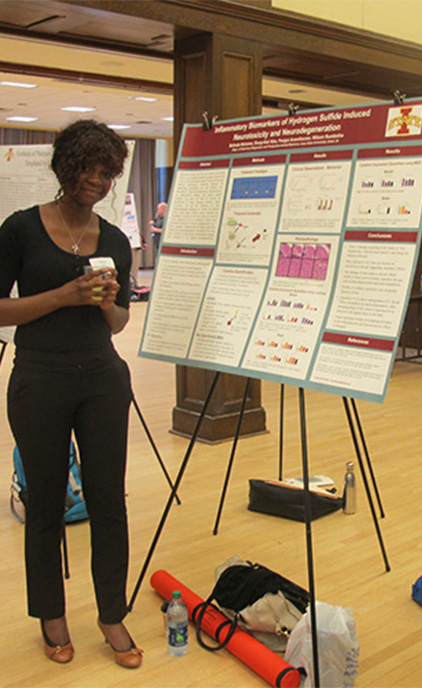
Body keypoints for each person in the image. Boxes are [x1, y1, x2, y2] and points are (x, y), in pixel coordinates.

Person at [0, 120, 143, 668]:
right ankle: (51, 616)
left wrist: (104, 301)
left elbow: (119, 323)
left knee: (110, 501)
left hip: (102, 379)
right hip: (39, 377)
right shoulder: (20, 229)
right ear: (65, 166)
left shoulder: (113, 240)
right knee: (46, 502)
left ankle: (112, 613)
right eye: (87, 167)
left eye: (106, 172)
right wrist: (62, 295)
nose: (96, 180)